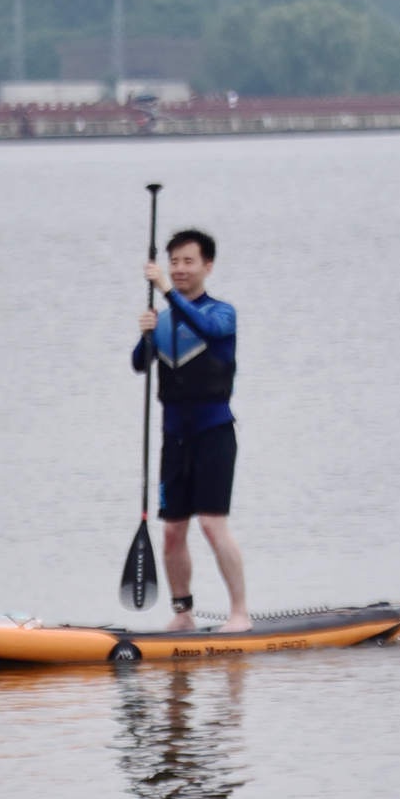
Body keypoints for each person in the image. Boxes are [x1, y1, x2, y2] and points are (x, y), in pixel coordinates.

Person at [133, 225, 251, 633]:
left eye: (188, 262)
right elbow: (138, 364)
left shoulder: (222, 313)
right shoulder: (164, 318)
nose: (180, 269)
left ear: (207, 266)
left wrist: (165, 291)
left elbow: (207, 330)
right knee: (172, 531)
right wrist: (146, 333)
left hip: (214, 434)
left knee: (212, 523)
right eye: (174, 262)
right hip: (174, 439)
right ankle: (183, 613)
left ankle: (239, 613)